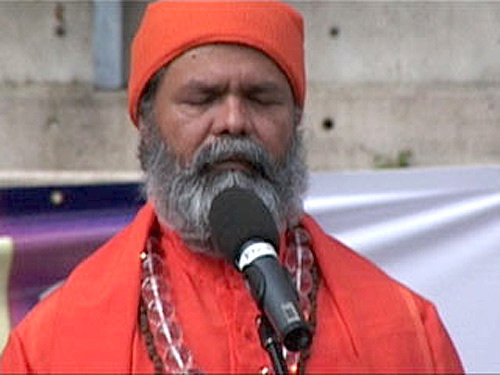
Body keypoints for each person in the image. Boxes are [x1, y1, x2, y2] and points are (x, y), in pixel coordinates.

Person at [1, 1, 463, 373]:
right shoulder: (52, 346)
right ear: (146, 122)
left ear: (296, 119)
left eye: (261, 99)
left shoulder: (406, 332)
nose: (234, 122)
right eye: (202, 98)